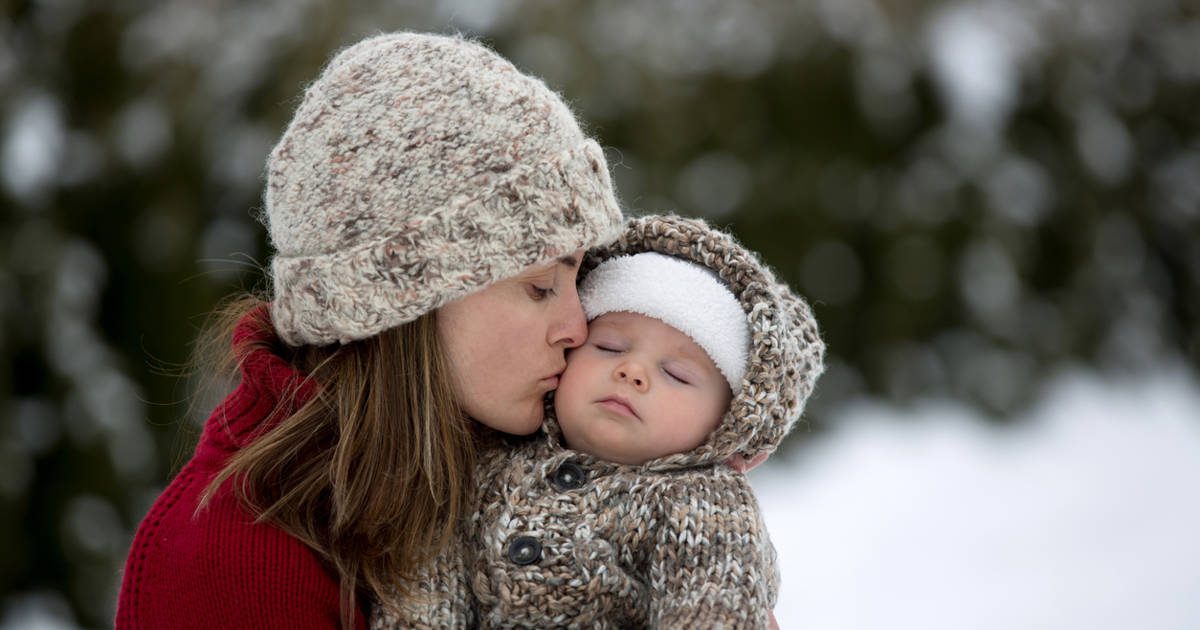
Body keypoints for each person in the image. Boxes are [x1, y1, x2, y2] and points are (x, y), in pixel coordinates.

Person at [115, 31, 624, 630]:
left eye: (578, 280)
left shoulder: (541, 478)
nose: (575, 326)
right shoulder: (230, 563)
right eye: (540, 287)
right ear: (404, 299)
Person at [372, 215, 826, 629]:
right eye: (608, 347)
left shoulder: (701, 501)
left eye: (676, 374)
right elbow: (425, 586)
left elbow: (716, 600)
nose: (632, 372)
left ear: (725, 425)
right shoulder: (483, 465)